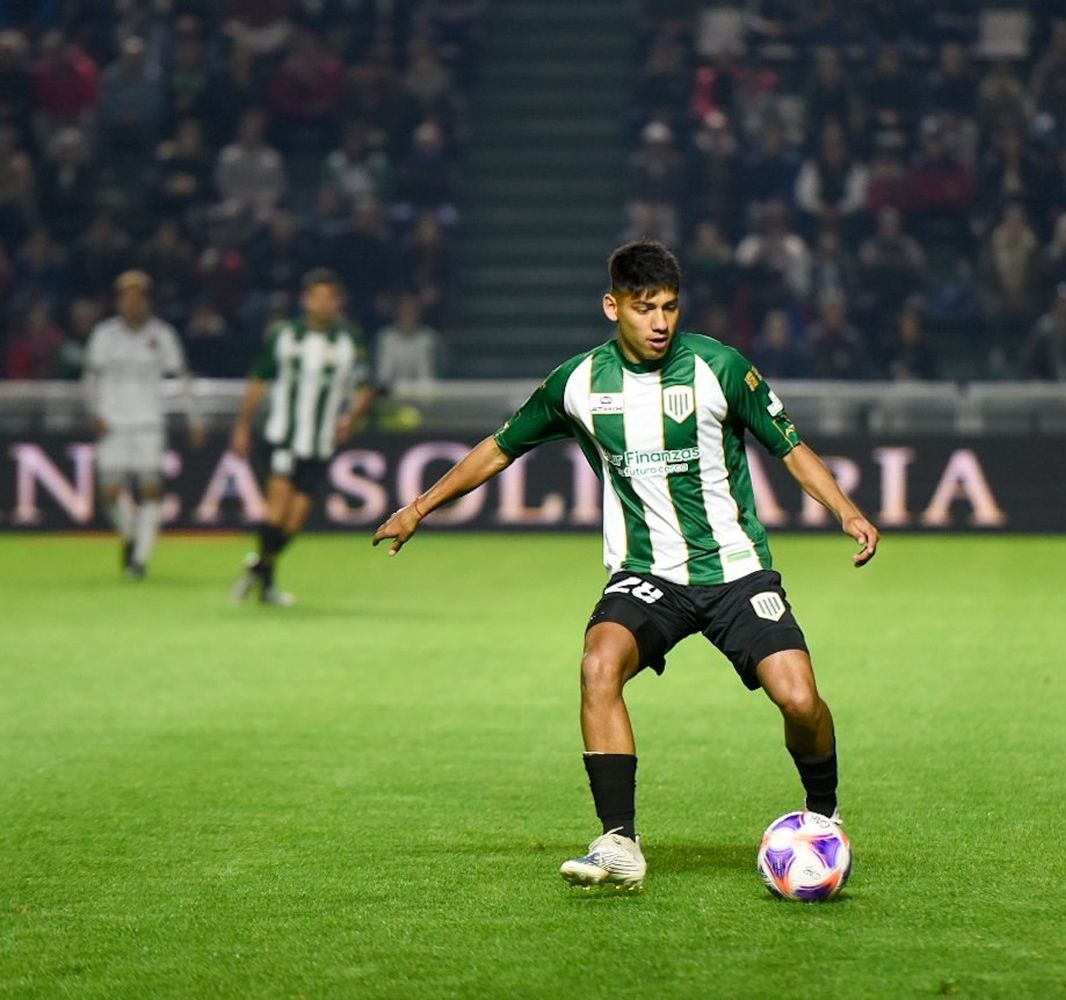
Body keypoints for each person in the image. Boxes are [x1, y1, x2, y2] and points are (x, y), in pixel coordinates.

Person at [371, 241, 879, 891]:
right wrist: (420, 507)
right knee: (598, 663)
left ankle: (824, 813)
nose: (660, 322)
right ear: (613, 307)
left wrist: (847, 510)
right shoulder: (577, 384)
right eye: (644, 309)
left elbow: (792, 447)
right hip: (647, 573)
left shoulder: (719, 368)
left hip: (735, 570)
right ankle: (619, 842)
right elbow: (498, 449)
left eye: (669, 307)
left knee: (802, 700)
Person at [230, 269, 374, 606]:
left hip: (320, 442)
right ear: (306, 300)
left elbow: (366, 387)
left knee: (296, 519)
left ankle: (260, 567)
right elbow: (258, 379)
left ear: (337, 301)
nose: (322, 303)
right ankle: (266, 584)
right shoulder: (285, 335)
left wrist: (351, 418)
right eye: (316, 296)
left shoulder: (349, 341)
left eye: (329, 297)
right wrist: (243, 424)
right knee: (278, 507)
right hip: (283, 436)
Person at [83, 271, 202, 579]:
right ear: (119, 300)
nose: (132, 302)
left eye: (138, 296)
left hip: (149, 422)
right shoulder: (104, 335)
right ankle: (132, 534)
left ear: (147, 300)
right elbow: (91, 378)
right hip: (113, 423)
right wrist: (94, 412)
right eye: (126, 296)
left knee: (151, 491)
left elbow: (181, 376)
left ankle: (139, 559)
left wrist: (195, 417)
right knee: (110, 493)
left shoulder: (162, 335)